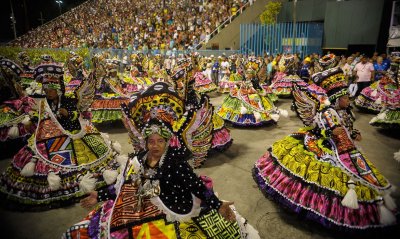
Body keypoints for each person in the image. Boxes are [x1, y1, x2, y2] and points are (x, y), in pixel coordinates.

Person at [63, 82, 259, 239]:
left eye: (160, 141)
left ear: (167, 141)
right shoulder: (140, 159)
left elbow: (195, 185)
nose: (155, 145)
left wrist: (218, 204)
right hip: (145, 202)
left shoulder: (175, 162)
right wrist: (99, 195)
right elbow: (124, 184)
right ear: (145, 141)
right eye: (151, 141)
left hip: (174, 206)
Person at [253, 54, 397, 231]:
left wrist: (352, 132)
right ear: (337, 99)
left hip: (340, 145)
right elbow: (333, 133)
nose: (348, 100)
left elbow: (344, 130)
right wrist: (340, 136)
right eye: (345, 98)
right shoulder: (327, 112)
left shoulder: (343, 112)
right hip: (326, 144)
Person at [0, 62, 125, 210]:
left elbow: (77, 115)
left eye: (51, 89)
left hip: (72, 134)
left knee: (91, 151)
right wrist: (31, 123)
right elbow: (38, 121)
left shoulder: (68, 100)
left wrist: (68, 114)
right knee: (39, 155)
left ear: (58, 89)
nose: (48, 92)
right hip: (49, 137)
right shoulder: (41, 103)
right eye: (46, 89)